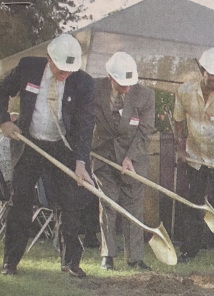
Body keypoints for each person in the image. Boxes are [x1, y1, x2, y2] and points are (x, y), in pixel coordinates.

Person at [0, 34, 95, 277]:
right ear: (49, 58)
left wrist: (81, 161)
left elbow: (85, 124)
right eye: (61, 68)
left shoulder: (83, 82)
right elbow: (1, 90)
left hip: (63, 148)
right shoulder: (28, 67)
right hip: (29, 142)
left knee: (69, 204)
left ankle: (70, 263)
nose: (65, 74)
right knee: (20, 201)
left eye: (69, 70)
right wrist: (3, 122)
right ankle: (10, 262)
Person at [174, 48, 214, 268]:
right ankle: (190, 249)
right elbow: (179, 122)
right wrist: (182, 150)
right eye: (212, 75)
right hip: (195, 157)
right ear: (202, 71)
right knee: (195, 203)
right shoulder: (184, 92)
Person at [91, 52, 154, 271]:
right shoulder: (95, 89)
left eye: (130, 84)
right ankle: (108, 255)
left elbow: (145, 131)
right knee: (108, 204)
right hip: (104, 157)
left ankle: (135, 258)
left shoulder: (146, 96)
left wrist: (130, 158)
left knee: (134, 208)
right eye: (121, 84)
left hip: (133, 159)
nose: (126, 88)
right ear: (110, 77)